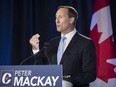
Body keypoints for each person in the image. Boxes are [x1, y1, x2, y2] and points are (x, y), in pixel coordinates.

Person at [29, 6, 96, 87]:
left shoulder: (86, 43)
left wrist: (67, 78)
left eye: (60, 17)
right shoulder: (51, 43)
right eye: (56, 17)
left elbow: (90, 74)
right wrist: (36, 50)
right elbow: (41, 71)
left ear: (71, 20)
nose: (56, 21)